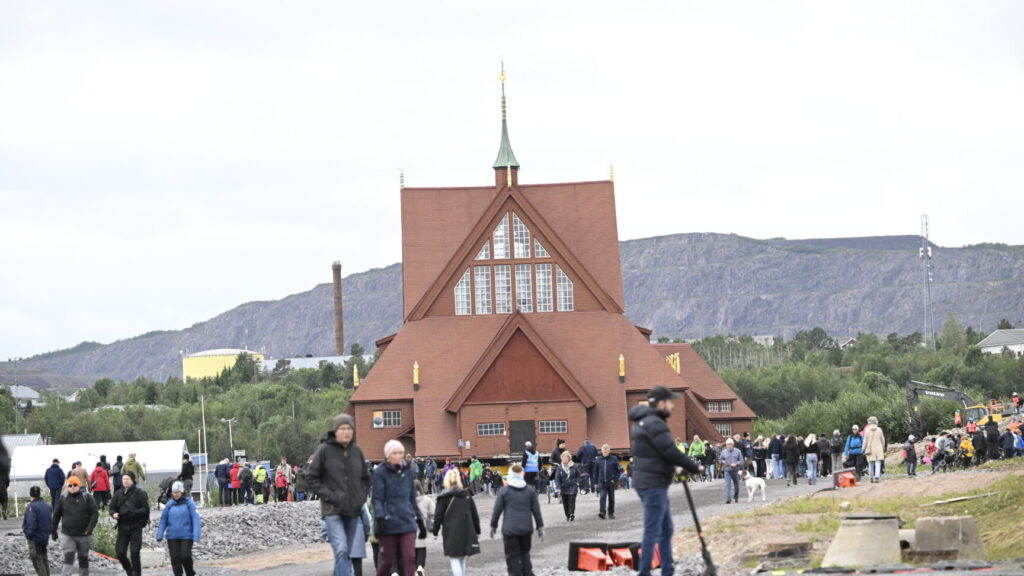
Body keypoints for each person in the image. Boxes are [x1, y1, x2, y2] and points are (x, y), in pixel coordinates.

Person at [629, 385, 704, 576]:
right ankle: (645, 572)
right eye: (670, 402)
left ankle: (668, 570)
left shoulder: (642, 421)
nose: (672, 405)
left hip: (647, 480)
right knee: (652, 531)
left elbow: (654, 453)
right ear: (661, 403)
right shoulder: (655, 423)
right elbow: (670, 451)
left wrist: (674, 467)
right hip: (653, 483)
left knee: (666, 529)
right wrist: (694, 467)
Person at [305, 414, 371, 576]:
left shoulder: (356, 451)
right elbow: (311, 478)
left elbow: (365, 478)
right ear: (335, 431)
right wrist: (329, 496)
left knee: (346, 552)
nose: (346, 432)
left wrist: (361, 498)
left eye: (349, 429)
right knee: (341, 549)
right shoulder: (324, 451)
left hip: (353, 510)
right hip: (332, 510)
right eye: (342, 429)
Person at [372, 439, 424, 576]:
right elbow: (377, 499)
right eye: (395, 453)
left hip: (407, 520)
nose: (399, 456)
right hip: (388, 521)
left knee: (410, 557)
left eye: (401, 453)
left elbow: (412, 498)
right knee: (388, 561)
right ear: (388, 455)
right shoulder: (380, 472)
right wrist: (380, 517)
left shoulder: (407, 471)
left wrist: (420, 519)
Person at [490, 464, 544, 576]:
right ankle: (527, 573)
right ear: (522, 475)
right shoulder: (530, 491)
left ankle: (515, 573)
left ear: (510, 475)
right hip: (526, 528)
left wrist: (493, 525)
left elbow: (497, 510)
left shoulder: (504, 491)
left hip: (509, 529)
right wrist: (540, 527)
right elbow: (536, 511)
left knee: (512, 555)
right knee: (525, 553)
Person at [433, 469, 481, 576]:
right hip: (466, 530)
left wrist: (435, 533)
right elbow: (474, 514)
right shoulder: (466, 495)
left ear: (446, 481)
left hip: (451, 532)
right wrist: (478, 531)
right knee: (462, 558)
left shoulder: (443, 497)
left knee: (454, 558)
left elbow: (438, 517)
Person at [52, 475, 99, 576]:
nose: (72, 487)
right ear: (67, 486)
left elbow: (95, 514)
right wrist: (53, 530)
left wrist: (90, 528)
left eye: (75, 485)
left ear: (79, 485)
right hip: (68, 534)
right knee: (68, 557)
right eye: (70, 485)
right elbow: (56, 515)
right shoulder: (63, 498)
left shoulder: (87, 497)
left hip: (84, 534)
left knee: (83, 558)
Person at [156, 481, 201, 576]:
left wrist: (196, 535)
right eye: (174, 492)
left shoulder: (190, 504)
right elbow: (163, 520)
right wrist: (159, 534)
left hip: (187, 536)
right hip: (172, 536)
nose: (175, 494)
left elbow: (195, 519)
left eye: (177, 492)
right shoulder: (169, 504)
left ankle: (190, 573)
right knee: (175, 559)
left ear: (182, 492)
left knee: (185, 556)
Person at [110, 470, 150, 576]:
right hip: (122, 527)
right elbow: (112, 508)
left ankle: (137, 574)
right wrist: (113, 514)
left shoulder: (139, 493)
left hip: (136, 526)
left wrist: (134, 512)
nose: (125, 481)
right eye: (124, 479)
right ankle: (129, 570)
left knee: (134, 553)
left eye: (128, 479)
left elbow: (145, 509)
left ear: (132, 480)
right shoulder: (118, 494)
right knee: (120, 552)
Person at [23, 485, 53, 576]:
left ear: (30, 495)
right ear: (39, 494)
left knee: (37, 561)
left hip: (35, 538)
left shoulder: (32, 507)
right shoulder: (47, 506)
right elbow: (50, 522)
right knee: (44, 560)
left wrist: (28, 535)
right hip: (44, 537)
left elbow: (31, 524)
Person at [595, 444, 621, 519]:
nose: (605, 453)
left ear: (609, 451)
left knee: (611, 499)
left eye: (606, 452)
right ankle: (602, 512)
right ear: (601, 451)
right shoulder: (598, 460)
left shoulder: (614, 459)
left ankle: (611, 513)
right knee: (602, 497)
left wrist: (615, 479)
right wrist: (596, 483)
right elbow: (596, 472)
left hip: (611, 482)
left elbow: (618, 470)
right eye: (604, 452)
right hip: (602, 482)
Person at [552, 451, 580, 521]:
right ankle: (567, 515)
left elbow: (578, 475)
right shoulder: (560, 467)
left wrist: (577, 482)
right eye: (563, 458)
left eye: (565, 458)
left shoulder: (574, 466)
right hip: (563, 487)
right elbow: (557, 478)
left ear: (569, 458)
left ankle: (571, 513)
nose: (564, 459)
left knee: (572, 500)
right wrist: (558, 487)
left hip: (573, 486)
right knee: (565, 502)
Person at [862, 416, 886, 483]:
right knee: (878, 463)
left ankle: (871, 478)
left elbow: (865, 441)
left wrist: (863, 449)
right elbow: (883, 440)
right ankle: (877, 476)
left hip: (870, 449)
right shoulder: (879, 430)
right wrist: (883, 447)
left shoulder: (867, 430)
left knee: (870, 464)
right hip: (878, 449)